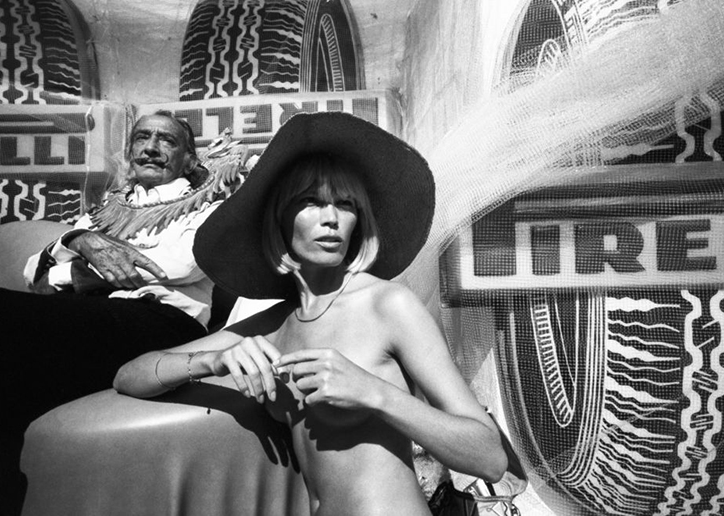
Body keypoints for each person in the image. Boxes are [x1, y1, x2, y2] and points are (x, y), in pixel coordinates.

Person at [114, 111, 508, 515]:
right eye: (311, 202)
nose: (332, 219)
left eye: (346, 204)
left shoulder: (387, 305)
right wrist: (211, 361)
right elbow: (129, 377)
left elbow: (490, 457)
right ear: (280, 218)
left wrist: (374, 392)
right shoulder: (272, 326)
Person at [0, 110, 234, 516]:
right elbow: (34, 273)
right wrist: (78, 239)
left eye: (167, 140)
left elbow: (179, 266)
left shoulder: (207, 207)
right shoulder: (103, 213)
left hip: (161, 325)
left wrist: (75, 270)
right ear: (129, 150)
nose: (152, 148)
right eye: (142, 138)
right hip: (94, 320)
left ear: (189, 160)